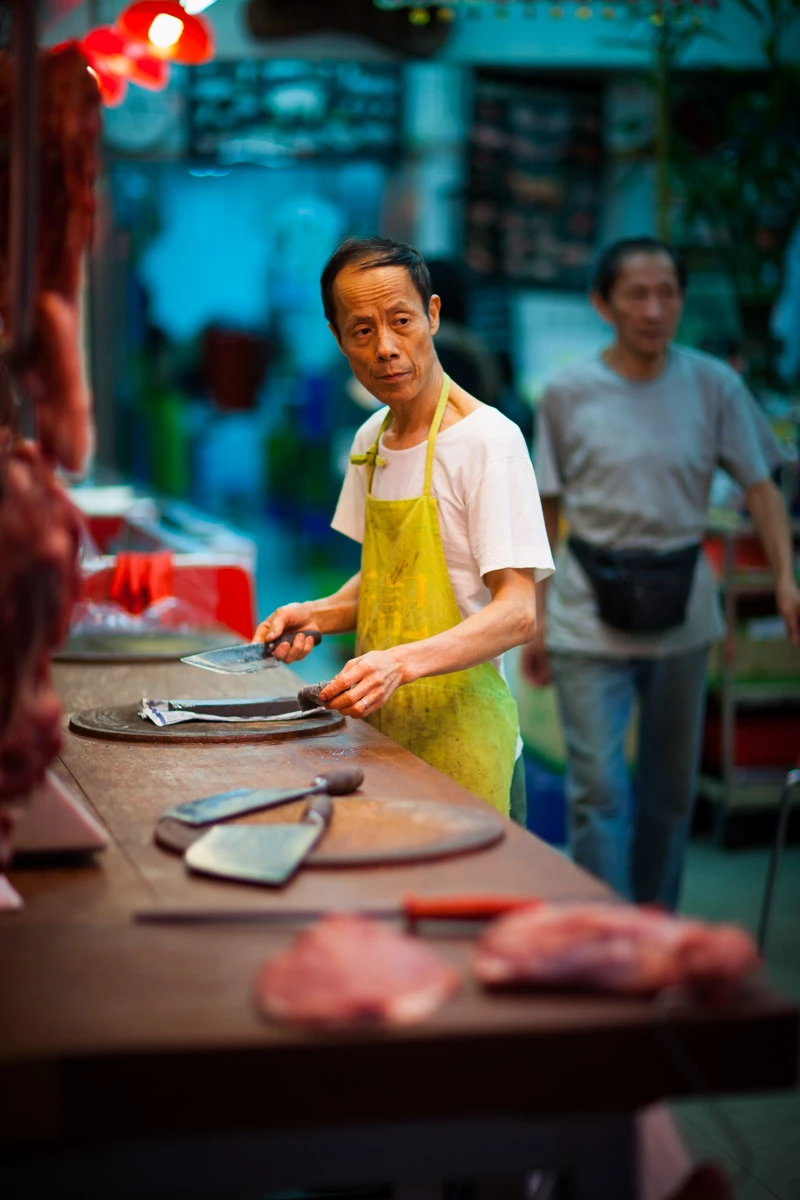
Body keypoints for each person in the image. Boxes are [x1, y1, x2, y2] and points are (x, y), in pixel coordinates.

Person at [524, 235, 799, 908]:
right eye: (637, 294)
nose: (654, 309)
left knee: (668, 795)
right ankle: (607, 936)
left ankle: (655, 931)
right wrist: (535, 616)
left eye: (668, 292)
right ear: (602, 304)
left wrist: (788, 581)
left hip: (683, 611)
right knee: (598, 791)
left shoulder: (715, 385)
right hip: (588, 610)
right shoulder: (567, 391)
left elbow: (762, 488)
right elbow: (545, 509)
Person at [255, 236, 554, 819]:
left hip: (466, 744)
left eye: (401, 321)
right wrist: (316, 614)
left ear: (433, 315)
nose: (387, 348)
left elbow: (517, 612)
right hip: (382, 742)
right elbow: (389, 582)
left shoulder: (489, 442)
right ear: (339, 340)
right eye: (362, 331)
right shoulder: (371, 442)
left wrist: (399, 663)